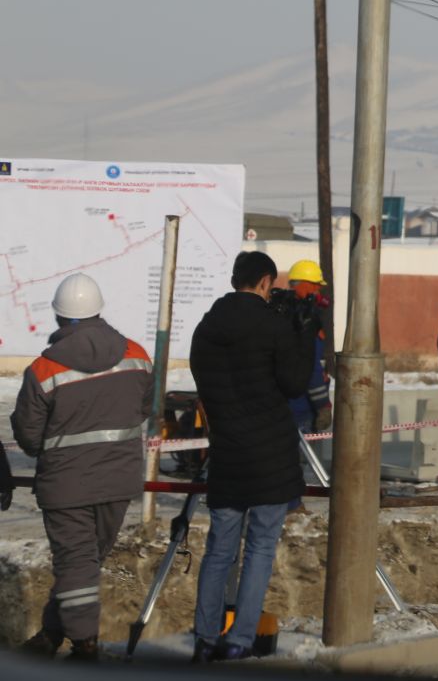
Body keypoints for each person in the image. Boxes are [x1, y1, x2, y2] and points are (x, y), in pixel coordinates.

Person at [12, 273, 152, 661]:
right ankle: (53, 635)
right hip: (119, 480)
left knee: (77, 564)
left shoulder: (44, 371)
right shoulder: (136, 354)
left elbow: (28, 435)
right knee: (85, 563)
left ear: (59, 319)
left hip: (66, 485)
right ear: (99, 311)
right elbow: (145, 409)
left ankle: (84, 645)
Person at [189, 251, 315, 662]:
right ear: (264, 282)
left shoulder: (205, 329)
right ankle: (240, 640)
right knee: (259, 549)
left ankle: (205, 639)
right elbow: (295, 384)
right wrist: (303, 334)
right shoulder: (272, 326)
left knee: (218, 550)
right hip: (270, 458)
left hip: (227, 454)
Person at [282, 260, 333, 434]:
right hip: (302, 408)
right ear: (305, 286)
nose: (319, 292)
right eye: (316, 287)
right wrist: (323, 406)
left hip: (282, 408)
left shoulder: (283, 315)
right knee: (302, 460)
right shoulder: (307, 322)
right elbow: (311, 367)